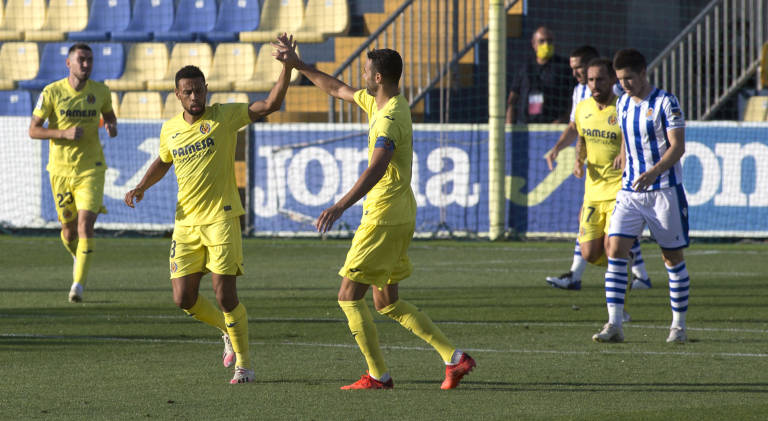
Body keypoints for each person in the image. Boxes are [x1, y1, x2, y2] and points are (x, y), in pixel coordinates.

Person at [276, 42, 475, 390]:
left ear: (378, 77)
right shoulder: (383, 103)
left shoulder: (390, 117)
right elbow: (336, 88)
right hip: (400, 215)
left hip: (383, 218)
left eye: (366, 71)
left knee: (348, 296)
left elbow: (378, 167)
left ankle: (378, 376)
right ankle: (454, 358)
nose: (361, 76)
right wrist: (298, 65)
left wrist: (340, 206)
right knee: (386, 301)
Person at [123, 34, 296, 384]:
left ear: (206, 89)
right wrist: (141, 186)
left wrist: (287, 69)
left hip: (222, 217)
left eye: (199, 89)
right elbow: (163, 160)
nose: (194, 96)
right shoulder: (170, 129)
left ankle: (244, 364)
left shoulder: (224, 116)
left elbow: (271, 105)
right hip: (185, 224)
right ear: (177, 95)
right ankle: (226, 331)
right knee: (183, 298)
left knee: (224, 292)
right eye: (187, 91)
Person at [592, 49, 690, 344]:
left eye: (629, 79)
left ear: (644, 73)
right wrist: (623, 157)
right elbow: (625, 136)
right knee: (615, 250)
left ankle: (678, 326)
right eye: (620, 80)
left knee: (671, 258)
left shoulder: (666, 102)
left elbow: (678, 146)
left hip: (663, 192)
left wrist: (653, 171)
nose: (625, 85)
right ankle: (614, 324)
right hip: (631, 192)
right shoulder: (622, 103)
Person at [545, 46, 651, 292]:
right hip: (593, 190)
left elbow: (636, 132)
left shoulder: (625, 105)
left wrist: (624, 150)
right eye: (591, 80)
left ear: (613, 79)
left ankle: (617, 312)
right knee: (591, 253)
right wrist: (577, 159)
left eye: (599, 79)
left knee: (614, 249)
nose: (593, 84)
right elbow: (580, 134)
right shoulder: (583, 107)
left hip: (620, 190)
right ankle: (626, 266)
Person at [29, 43, 118, 303]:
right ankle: (77, 255)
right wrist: (61, 133)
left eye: (90, 60)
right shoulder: (52, 92)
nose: (86, 65)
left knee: (85, 224)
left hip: (91, 168)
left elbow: (110, 118)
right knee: (68, 231)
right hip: (60, 170)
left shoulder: (100, 91)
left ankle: (78, 285)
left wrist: (112, 127)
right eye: (81, 60)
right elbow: (33, 130)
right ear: (69, 63)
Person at [506, 26, 572, 124]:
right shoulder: (524, 68)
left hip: (554, 126)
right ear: (534, 43)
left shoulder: (565, 66)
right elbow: (512, 100)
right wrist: (509, 126)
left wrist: (563, 119)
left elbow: (575, 98)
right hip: (526, 126)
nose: (546, 44)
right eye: (542, 41)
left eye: (549, 41)